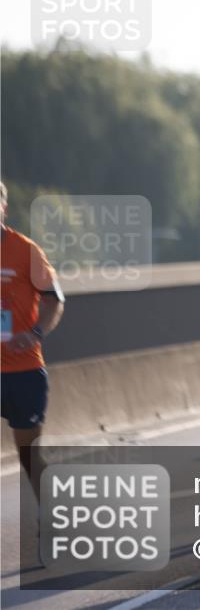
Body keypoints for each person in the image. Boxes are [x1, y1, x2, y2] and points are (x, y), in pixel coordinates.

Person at [1, 181, 66, 498]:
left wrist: (36, 332)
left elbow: (55, 300)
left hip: (23, 372)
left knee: (28, 455)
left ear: (4, 208)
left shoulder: (26, 251)